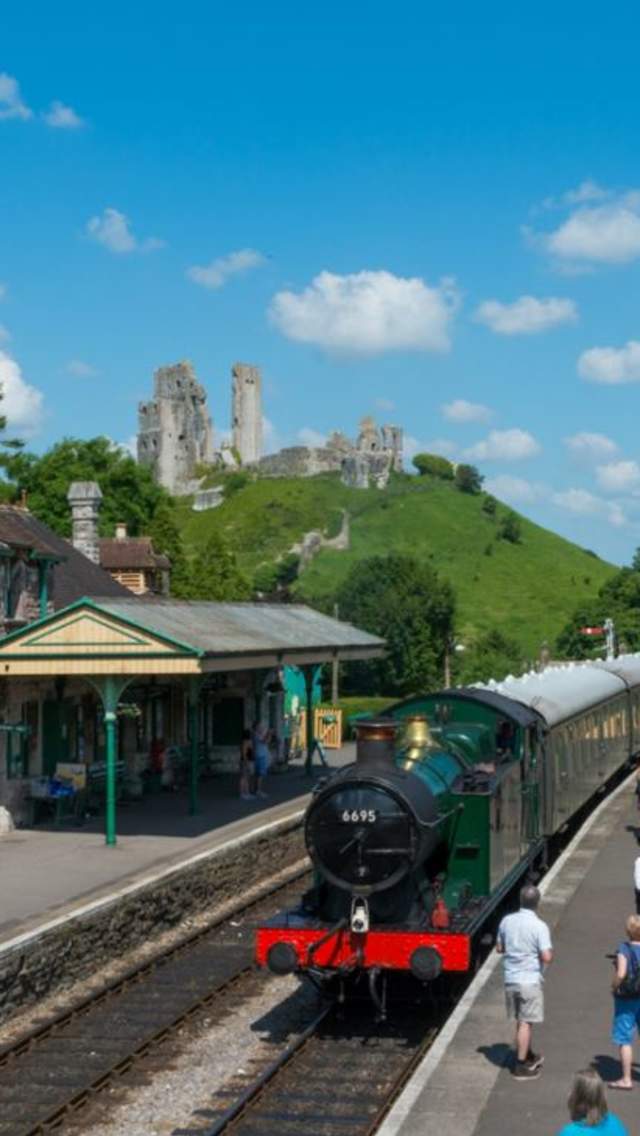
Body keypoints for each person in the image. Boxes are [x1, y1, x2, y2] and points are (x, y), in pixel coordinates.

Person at [496, 883, 553, 1080]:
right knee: (526, 1022)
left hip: (511, 978)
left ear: (521, 900)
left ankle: (527, 1053)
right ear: (537, 903)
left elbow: (499, 948)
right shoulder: (539, 926)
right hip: (529, 979)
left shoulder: (506, 921)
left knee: (521, 1020)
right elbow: (546, 956)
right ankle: (520, 1066)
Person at [609, 914, 640, 1090]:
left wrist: (613, 987)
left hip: (627, 998)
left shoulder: (624, 948)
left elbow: (621, 974)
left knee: (625, 1038)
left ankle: (627, 1079)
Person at [556, 1069, 628, 1136]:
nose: (569, 1094)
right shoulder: (614, 1122)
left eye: (572, 1090)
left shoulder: (570, 1133)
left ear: (579, 1100)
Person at [251, 721, 270, 799]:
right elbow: (265, 741)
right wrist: (269, 733)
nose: (262, 728)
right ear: (256, 727)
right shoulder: (256, 735)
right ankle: (258, 791)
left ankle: (255, 790)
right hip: (260, 756)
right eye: (260, 727)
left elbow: (266, 741)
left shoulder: (258, 734)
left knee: (258, 774)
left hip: (260, 755)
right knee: (260, 775)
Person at [238, 728, 254, 801]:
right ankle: (242, 793)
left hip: (248, 760)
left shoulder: (247, 742)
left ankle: (247, 793)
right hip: (245, 761)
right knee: (243, 778)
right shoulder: (245, 742)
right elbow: (244, 754)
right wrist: (246, 762)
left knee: (246, 777)